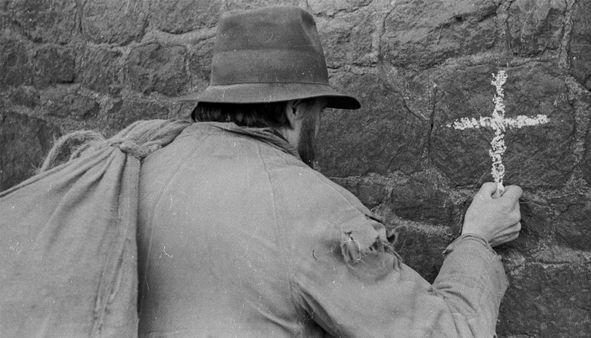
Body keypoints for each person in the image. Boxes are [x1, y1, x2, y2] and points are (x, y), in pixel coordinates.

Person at [136, 6, 522, 337]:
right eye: (319, 111)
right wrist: (477, 239)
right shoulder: (312, 209)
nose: (319, 126)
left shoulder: (144, 164)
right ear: (294, 109)